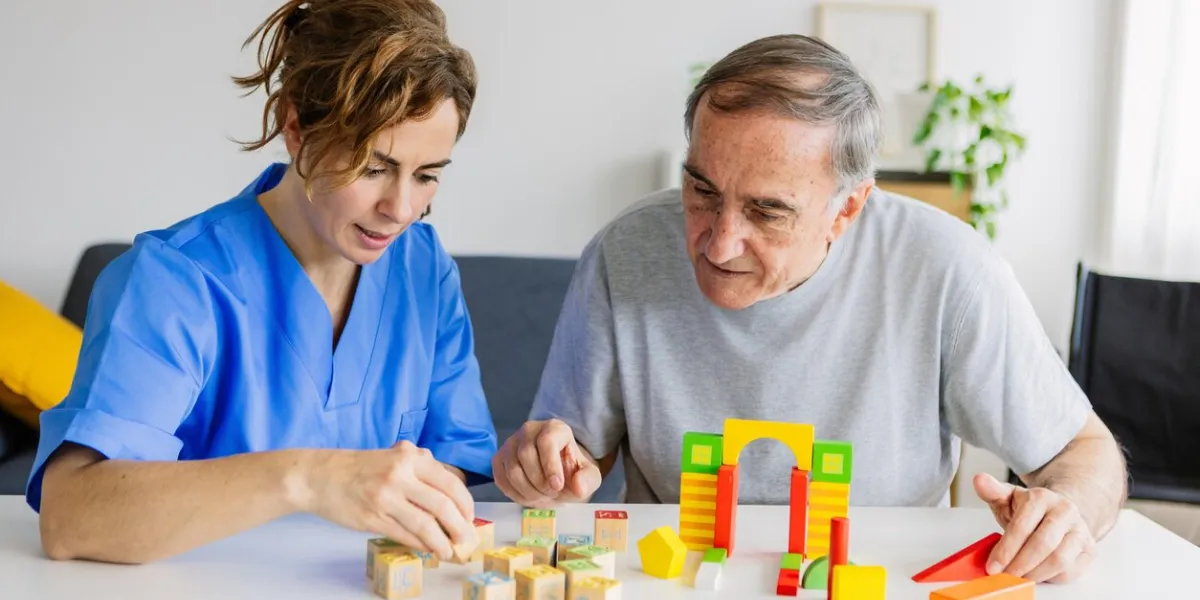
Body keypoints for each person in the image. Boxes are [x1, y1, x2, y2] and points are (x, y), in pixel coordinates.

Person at [493, 34, 1127, 584]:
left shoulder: (948, 270)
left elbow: (1084, 455)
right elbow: (574, 453)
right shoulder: (622, 252)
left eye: (767, 211)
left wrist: (1067, 510)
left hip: (876, 578)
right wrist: (548, 464)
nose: (719, 241)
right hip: (678, 578)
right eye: (701, 190)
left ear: (846, 210)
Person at [28, 0, 497, 565]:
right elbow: (70, 517)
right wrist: (307, 478)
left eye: (426, 176)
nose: (400, 209)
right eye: (373, 168)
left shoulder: (426, 270)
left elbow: (456, 461)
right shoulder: (174, 280)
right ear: (296, 127)